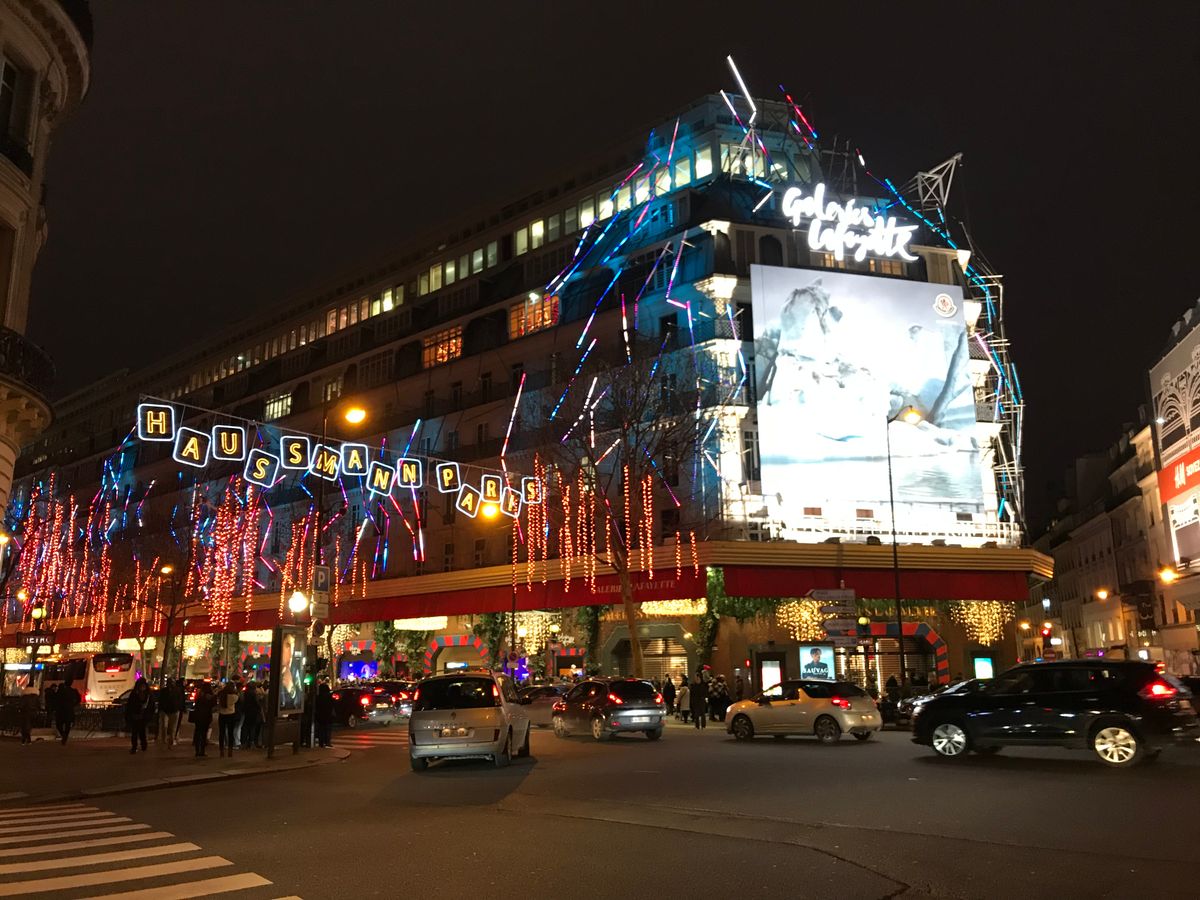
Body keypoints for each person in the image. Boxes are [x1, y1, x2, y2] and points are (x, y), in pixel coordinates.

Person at [125, 677, 152, 754]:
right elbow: (130, 705)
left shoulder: (148, 695)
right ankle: (135, 747)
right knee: (135, 733)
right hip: (135, 716)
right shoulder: (134, 694)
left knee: (142, 732)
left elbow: (151, 706)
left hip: (143, 717)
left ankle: (143, 745)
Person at [191, 681, 215, 757]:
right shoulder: (210, 696)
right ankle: (202, 750)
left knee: (198, 732)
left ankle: (197, 750)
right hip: (206, 716)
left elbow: (195, 703)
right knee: (204, 733)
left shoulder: (199, 695)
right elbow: (213, 705)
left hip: (198, 715)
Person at [216, 681, 240, 757]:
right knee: (230, 733)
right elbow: (237, 699)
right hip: (231, 714)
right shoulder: (234, 696)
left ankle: (221, 751)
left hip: (222, 714)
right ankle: (230, 751)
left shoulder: (221, 694)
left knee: (221, 733)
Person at [238, 680, 263, 749]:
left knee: (245, 727)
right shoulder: (254, 693)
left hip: (247, 711)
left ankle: (244, 742)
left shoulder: (245, 693)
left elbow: (242, 701)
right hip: (253, 712)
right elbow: (257, 703)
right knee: (252, 727)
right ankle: (251, 742)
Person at [55, 679, 80, 744]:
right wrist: (73, 704)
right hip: (69, 710)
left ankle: (63, 735)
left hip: (61, 710)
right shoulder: (73, 691)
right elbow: (78, 699)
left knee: (59, 724)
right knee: (67, 725)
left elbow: (56, 700)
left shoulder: (60, 691)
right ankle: (65, 736)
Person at [159, 677, 181, 747]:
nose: (171, 684)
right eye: (170, 682)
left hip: (174, 710)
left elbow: (180, 700)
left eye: (172, 682)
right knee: (164, 726)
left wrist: (179, 707)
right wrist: (161, 708)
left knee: (173, 727)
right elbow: (160, 700)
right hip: (165, 711)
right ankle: (164, 739)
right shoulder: (163, 691)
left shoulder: (177, 691)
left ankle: (171, 739)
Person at [314, 681, 334, 748]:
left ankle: (321, 742)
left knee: (321, 729)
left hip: (320, 715)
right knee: (327, 729)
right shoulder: (329, 697)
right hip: (328, 715)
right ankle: (327, 742)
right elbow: (332, 705)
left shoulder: (318, 697)